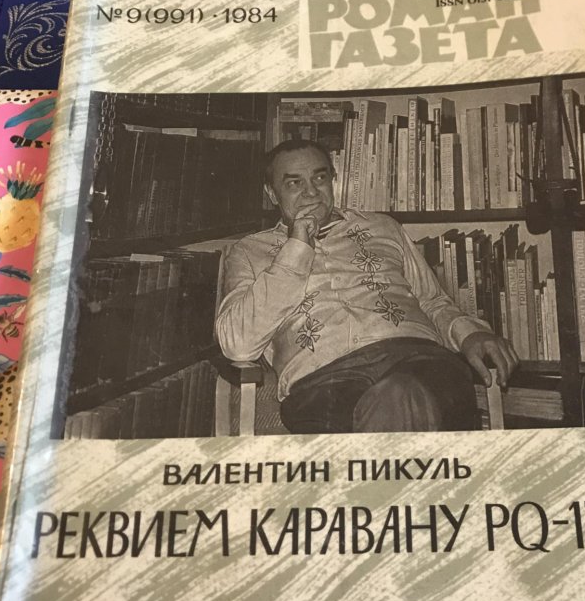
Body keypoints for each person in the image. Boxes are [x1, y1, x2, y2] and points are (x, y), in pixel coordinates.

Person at [215, 139, 518, 433]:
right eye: (294, 183)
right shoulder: (249, 252)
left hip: (418, 360)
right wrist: (296, 248)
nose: (312, 192)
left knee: (401, 393)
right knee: (396, 399)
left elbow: (432, 301)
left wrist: (469, 333)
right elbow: (237, 344)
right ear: (271, 193)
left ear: (333, 180)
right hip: (323, 383)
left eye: (320, 178)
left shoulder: (383, 227)